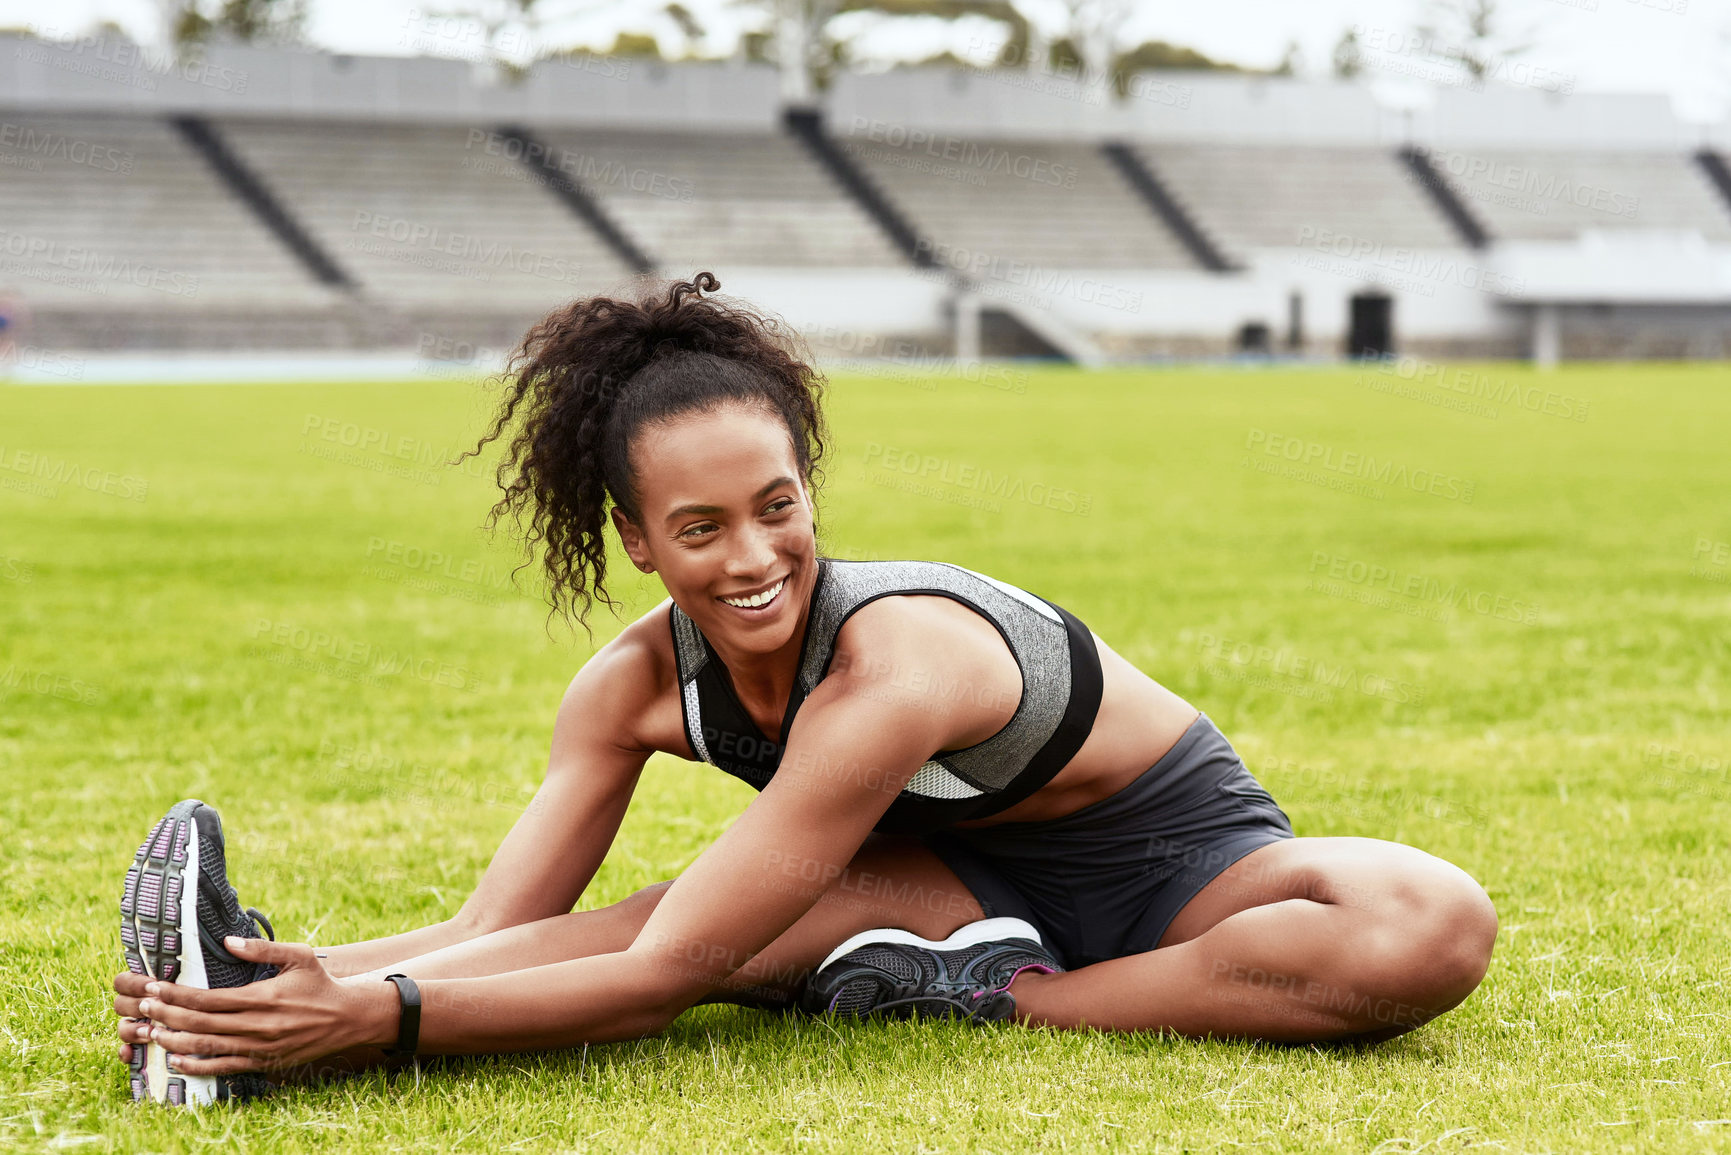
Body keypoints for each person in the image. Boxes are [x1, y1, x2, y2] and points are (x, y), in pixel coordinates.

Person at [113, 272, 1497, 1105]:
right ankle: (222, 1008)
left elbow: (664, 984)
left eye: (779, 507)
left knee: (1424, 929)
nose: (757, 555)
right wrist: (298, 989)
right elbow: (517, 927)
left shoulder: (899, 663)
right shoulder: (627, 692)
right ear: (639, 542)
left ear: (808, 491)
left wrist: (381, 1019)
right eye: (701, 529)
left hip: (1180, 875)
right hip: (927, 889)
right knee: (675, 926)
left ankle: (997, 999)